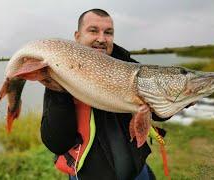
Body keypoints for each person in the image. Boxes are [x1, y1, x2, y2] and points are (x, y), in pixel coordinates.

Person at [40, 9, 169, 180]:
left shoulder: (129, 66)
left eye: (108, 33)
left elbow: (159, 113)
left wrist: (179, 98)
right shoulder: (59, 76)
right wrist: (59, 93)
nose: (101, 39)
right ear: (77, 36)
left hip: (138, 173)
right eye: (93, 31)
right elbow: (57, 143)